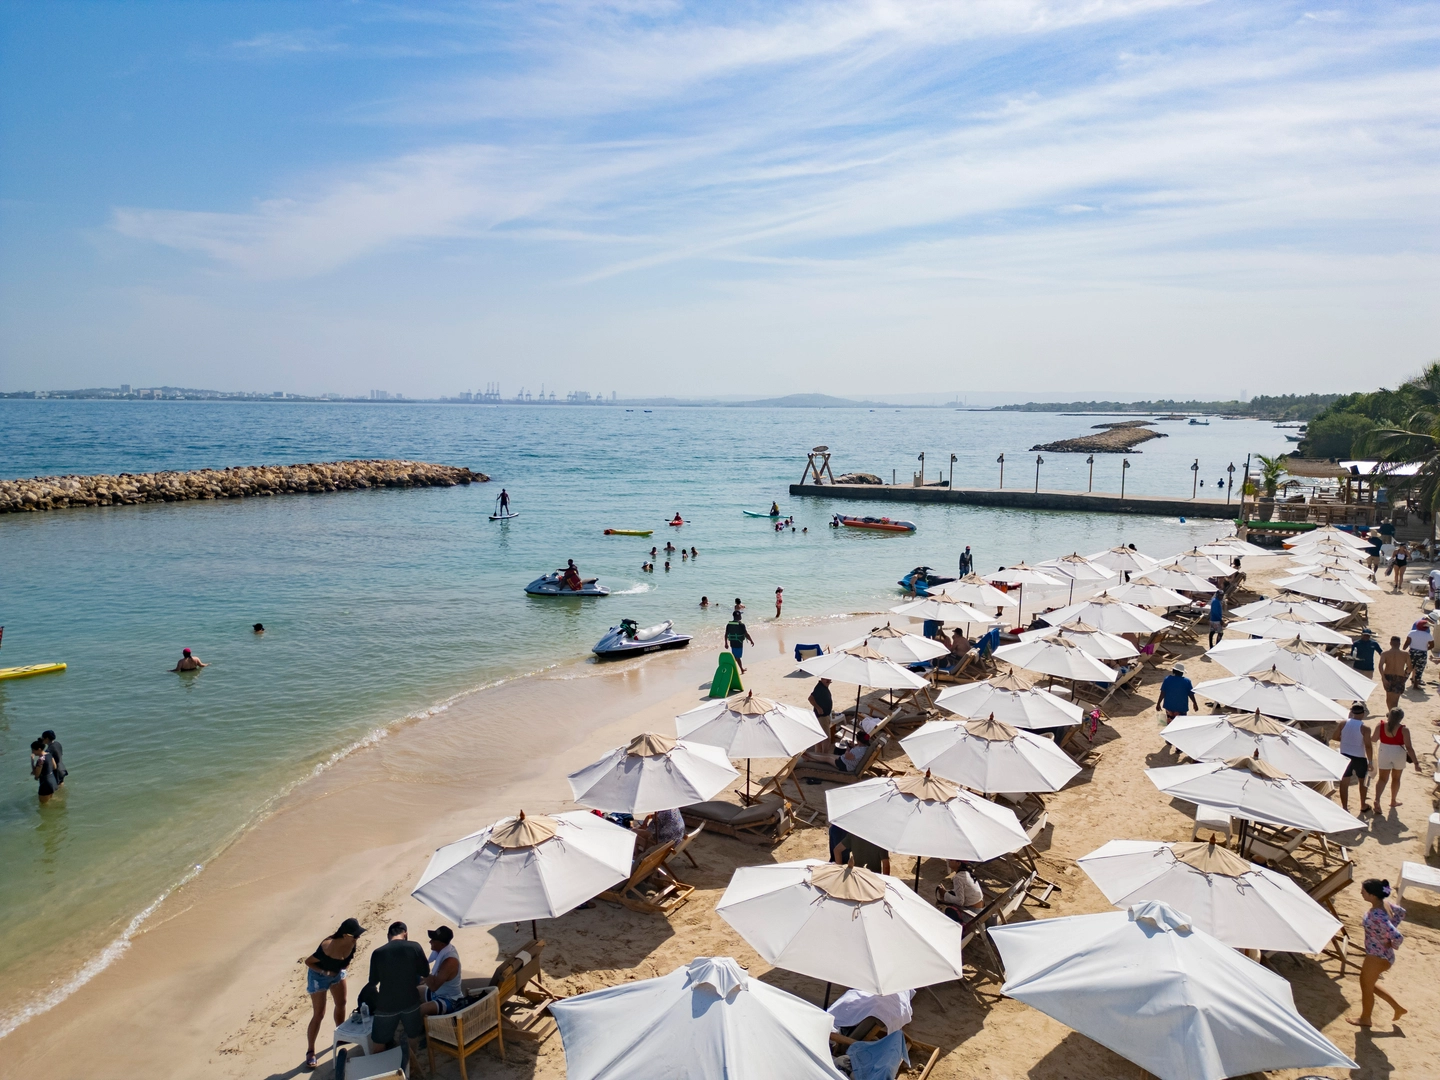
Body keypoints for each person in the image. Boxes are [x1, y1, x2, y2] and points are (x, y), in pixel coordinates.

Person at [301, 917, 365, 1070]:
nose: (358, 938)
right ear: (345, 935)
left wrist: (340, 969)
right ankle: (310, 1051)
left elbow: (348, 960)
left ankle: (341, 1035)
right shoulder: (327, 946)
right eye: (355, 935)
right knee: (319, 1014)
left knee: (341, 1003)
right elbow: (308, 962)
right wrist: (325, 972)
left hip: (337, 974)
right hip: (319, 976)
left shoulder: (352, 944)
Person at [1347, 879, 1407, 1028]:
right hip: (1382, 955)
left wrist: (1392, 942)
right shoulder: (1385, 904)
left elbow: (1398, 936)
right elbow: (1401, 912)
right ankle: (1398, 1008)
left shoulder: (1377, 915)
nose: (1361, 892)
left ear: (1372, 895)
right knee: (1369, 984)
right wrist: (1387, 938)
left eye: (1364, 891)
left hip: (1377, 956)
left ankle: (1365, 1019)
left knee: (1366, 987)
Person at [362, 921, 430, 1053]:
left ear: (388, 935)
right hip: (410, 1001)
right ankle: (410, 1067)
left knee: (379, 1041)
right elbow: (425, 972)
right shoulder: (414, 947)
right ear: (405, 934)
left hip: (386, 1005)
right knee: (412, 1036)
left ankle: (380, 1071)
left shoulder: (378, 953)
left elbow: (373, 981)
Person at [1372, 708, 1420, 810]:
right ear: (1401, 718)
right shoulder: (1404, 730)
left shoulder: (1380, 725)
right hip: (1398, 753)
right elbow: (1409, 747)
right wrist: (1416, 763)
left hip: (1384, 751)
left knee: (1382, 779)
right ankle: (1393, 800)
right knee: (1396, 778)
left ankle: (1377, 800)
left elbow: (1373, 739)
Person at [1331, 704, 1373, 814]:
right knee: (1362, 782)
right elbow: (1368, 746)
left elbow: (1335, 737)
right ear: (1363, 713)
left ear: (1352, 713)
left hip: (1345, 755)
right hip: (1359, 757)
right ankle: (1363, 805)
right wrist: (1371, 761)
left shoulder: (1343, 723)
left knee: (1344, 782)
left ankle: (1344, 808)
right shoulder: (1365, 728)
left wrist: (1346, 741)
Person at [419, 926, 464, 1017]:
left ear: (442, 945)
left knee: (420, 1010)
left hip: (450, 1000)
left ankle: (421, 1029)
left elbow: (434, 986)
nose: (430, 941)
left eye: (433, 940)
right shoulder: (445, 950)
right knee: (413, 991)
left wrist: (423, 969)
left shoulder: (450, 961)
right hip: (437, 993)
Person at [1155, 664, 1197, 729]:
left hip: (1169, 706)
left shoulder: (1167, 679)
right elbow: (1190, 694)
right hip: (1182, 707)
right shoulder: (1187, 681)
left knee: (1170, 724)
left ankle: (1169, 737)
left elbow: (1163, 692)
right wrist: (1195, 703)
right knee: (1181, 725)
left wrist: (1158, 703)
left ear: (1173, 671)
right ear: (1182, 673)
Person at [1378, 636, 1411, 710]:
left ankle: (1391, 713)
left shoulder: (1385, 653)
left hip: (1388, 676)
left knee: (1389, 698)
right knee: (1396, 699)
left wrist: (1383, 678)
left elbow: (1380, 666)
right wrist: (1405, 676)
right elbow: (1410, 668)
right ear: (1399, 643)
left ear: (1390, 643)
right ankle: (1393, 715)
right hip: (1399, 677)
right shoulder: (1405, 654)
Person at [1403, 619, 1432, 689]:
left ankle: (1402, 682)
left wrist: (1404, 648)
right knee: (1419, 669)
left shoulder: (1411, 633)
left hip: (1412, 652)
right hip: (1422, 653)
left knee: (1408, 668)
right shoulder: (1428, 635)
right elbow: (1432, 645)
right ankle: (1415, 685)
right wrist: (1425, 649)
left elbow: (1407, 642)